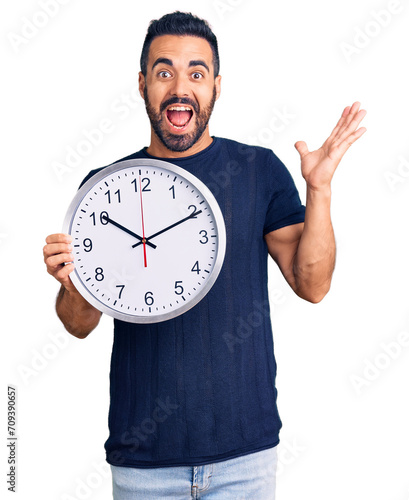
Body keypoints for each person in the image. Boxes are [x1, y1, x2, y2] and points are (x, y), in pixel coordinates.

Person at [43, 11, 366, 500]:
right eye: (164, 71)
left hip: (245, 459)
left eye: (196, 73)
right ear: (142, 84)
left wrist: (318, 188)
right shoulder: (102, 190)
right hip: (143, 464)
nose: (180, 86)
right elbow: (78, 322)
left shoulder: (258, 169)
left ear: (215, 86)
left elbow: (313, 285)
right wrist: (72, 283)